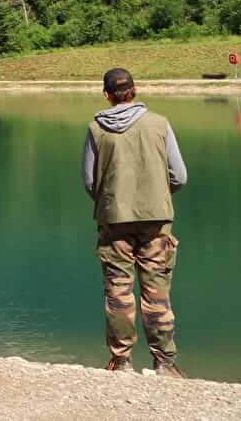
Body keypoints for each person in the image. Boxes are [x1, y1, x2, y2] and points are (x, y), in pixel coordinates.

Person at [82, 67, 188, 377]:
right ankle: (165, 364)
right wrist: (157, 193)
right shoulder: (160, 124)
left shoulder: (95, 129)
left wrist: (113, 200)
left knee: (118, 292)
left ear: (106, 95)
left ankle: (121, 362)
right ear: (135, 90)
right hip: (156, 221)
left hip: (114, 220)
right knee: (157, 291)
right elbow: (179, 176)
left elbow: (90, 182)